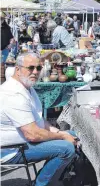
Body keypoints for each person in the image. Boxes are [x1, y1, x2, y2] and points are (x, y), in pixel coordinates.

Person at [0, 53, 77, 186]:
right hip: (11, 150)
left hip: (24, 143)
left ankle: (56, 178)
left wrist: (60, 133)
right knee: (66, 148)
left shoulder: (26, 87)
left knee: (72, 135)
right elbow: (33, 134)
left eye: (38, 68)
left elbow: (39, 120)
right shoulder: (13, 93)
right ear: (17, 70)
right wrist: (62, 137)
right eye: (30, 68)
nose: (35, 72)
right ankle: (41, 184)